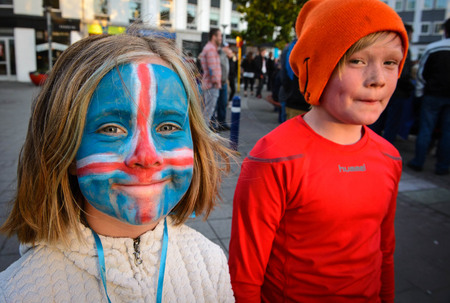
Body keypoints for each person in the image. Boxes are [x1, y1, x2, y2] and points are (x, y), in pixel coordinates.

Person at [0, 32, 235, 302]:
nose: (147, 156)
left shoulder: (210, 263)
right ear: (65, 148)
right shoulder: (19, 292)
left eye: (168, 126)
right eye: (111, 128)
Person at [228, 0, 408, 301]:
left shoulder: (389, 157)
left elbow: (384, 250)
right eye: (357, 61)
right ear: (319, 68)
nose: (378, 79)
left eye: (391, 62)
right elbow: (244, 275)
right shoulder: (275, 157)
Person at [407, 18, 450, 175]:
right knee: (448, 132)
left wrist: (419, 93)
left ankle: (418, 161)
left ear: (445, 30)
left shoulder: (433, 48)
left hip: (432, 95)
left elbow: (421, 73)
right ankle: (443, 166)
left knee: (426, 129)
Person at [370, 24, 415, 144]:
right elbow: (403, 73)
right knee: (391, 123)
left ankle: (373, 144)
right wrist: (410, 87)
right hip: (398, 92)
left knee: (377, 120)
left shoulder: (385, 46)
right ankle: (384, 148)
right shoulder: (402, 49)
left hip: (387, 91)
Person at [278, 37, 310, 122]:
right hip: (302, 102)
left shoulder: (289, 48)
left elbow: (284, 76)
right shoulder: (306, 45)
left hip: (292, 99)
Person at [199, 28, 222, 125]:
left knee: (206, 112)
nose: (221, 38)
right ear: (214, 37)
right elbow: (212, 68)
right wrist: (216, 82)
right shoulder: (211, 49)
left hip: (208, 84)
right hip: (211, 85)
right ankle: (204, 135)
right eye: (220, 36)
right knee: (208, 113)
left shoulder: (209, 48)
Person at [213, 43, 232, 131]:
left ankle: (222, 123)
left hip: (224, 82)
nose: (228, 49)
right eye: (227, 47)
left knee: (223, 103)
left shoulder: (226, 57)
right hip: (217, 83)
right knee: (215, 104)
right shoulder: (219, 54)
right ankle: (212, 124)